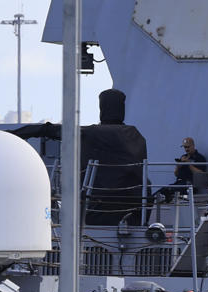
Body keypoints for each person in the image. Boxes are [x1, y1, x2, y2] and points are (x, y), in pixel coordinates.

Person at [14, 88, 150, 227]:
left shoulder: (90, 133)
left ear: (102, 108)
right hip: (133, 215)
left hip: (91, 211)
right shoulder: (136, 136)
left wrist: (13, 134)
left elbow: (49, 130)